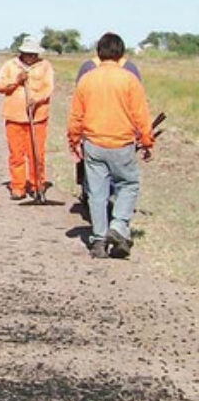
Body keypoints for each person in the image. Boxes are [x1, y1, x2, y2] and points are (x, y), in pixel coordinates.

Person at [67, 32, 155, 259]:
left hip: (93, 144)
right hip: (122, 144)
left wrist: (74, 141)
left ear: (99, 53)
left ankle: (98, 240)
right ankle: (118, 225)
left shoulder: (87, 79)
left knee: (97, 192)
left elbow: (76, 115)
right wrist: (146, 141)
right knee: (128, 184)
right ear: (121, 54)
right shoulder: (129, 80)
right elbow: (141, 114)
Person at [0, 36, 55, 200]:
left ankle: (37, 186)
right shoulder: (10, 66)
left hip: (37, 118)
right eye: (27, 53)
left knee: (37, 154)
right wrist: (15, 81)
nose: (30, 57)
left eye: (33, 54)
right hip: (14, 117)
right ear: (21, 52)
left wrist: (36, 99)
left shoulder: (45, 66)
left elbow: (49, 88)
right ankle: (18, 187)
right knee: (16, 154)